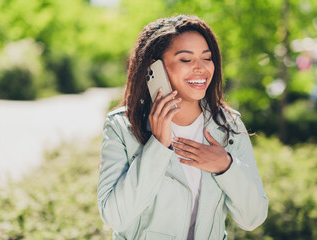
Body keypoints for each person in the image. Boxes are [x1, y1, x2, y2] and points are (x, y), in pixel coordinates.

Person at [97, 15, 268, 240]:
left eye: (207, 58)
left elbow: (252, 219)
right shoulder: (122, 127)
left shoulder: (229, 126)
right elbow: (115, 217)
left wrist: (226, 166)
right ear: (153, 68)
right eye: (186, 60)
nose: (201, 68)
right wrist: (157, 145)